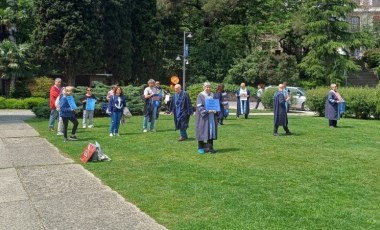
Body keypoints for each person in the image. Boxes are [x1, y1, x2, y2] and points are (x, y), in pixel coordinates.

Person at [195, 82, 218, 154]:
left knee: (211, 132)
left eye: (209, 87)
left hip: (211, 117)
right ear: (203, 87)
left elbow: (215, 104)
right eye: (206, 87)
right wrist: (207, 111)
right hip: (203, 117)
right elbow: (199, 106)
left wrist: (215, 110)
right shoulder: (200, 95)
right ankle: (201, 147)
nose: (208, 88)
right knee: (201, 131)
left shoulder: (212, 95)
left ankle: (210, 148)